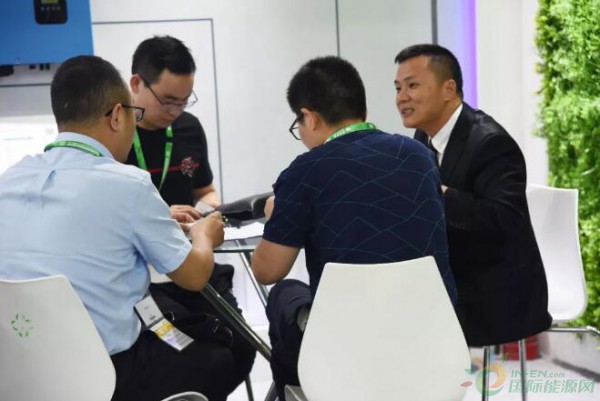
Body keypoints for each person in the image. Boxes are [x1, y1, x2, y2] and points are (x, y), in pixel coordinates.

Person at [0, 55, 235, 401]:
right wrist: (204, 235)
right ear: (116, 116)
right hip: (107, 376)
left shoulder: (10, 180)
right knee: (221, 358)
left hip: (23, 376)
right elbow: (195, 276)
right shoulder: (129, 185)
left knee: (168, 327)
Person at [251, 55, 457, 400]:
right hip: (432, 341)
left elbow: (267, 270)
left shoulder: (305, 171)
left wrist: (277, 215)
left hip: (347, 350)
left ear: (309, 117)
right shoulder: (419, 156)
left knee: (285, 292)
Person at [393, 44, 552, 347]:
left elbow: (504, 219)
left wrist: (437, 194)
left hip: (493, 290)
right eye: (398, 88)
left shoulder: (491, 143)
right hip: (451, 276)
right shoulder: (423, 137)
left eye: (412, 86)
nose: (402, 97)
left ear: (448, 89)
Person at [125, 35, 256, 395]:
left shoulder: (188, 128)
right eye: (168, 100)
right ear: (136, 83)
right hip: (142, 281)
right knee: (188, 354)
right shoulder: (116, 135)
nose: (175, 110)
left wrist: (207, 212)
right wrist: (159, 215)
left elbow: (205, 191)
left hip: (193, 264)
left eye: (184, 101)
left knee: (242, 344)